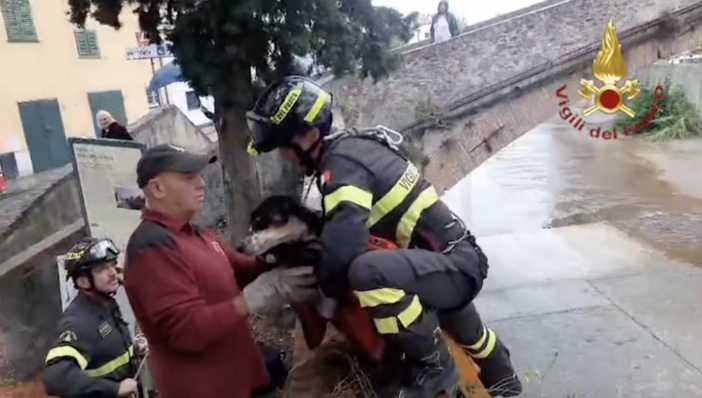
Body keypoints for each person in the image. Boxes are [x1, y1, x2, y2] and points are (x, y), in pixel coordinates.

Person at [245, 76, 523, 397]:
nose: (284, 156)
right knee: (476, 339)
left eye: (284, 146)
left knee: (366, 272)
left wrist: (319, 287)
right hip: (447, 261)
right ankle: (506, 383)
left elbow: (343, 251)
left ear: (309, 135)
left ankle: (433, 366)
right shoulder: (354, 149)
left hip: (448, 267)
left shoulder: (341, 166)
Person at [122, 144, 320, 398]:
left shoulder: (195, 233)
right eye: (189, 177)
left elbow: (240, 270)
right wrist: (250, 300)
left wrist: (281, 247)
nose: (202, 183)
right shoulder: (152, 249)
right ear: (158, 188)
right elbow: (187, 332)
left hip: (245, 380)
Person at [44, 238, 141, 398]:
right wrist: (114, 389)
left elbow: (107, 355)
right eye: (102, 269)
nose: (112, 272)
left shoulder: (105, 305)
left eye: (112, 264)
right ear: (83, 281)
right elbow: (56, 377)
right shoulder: (78, 321)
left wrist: (135, 351)